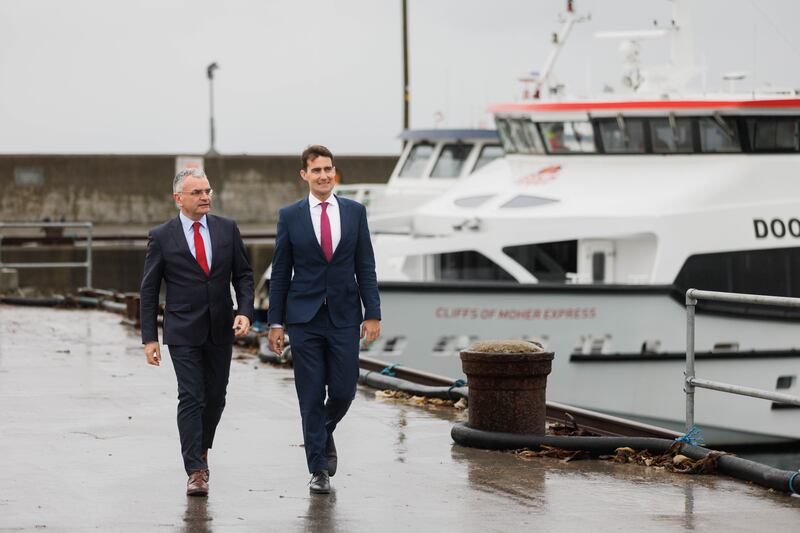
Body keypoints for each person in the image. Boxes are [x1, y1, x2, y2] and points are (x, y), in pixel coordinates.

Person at [268, 145, 381, 494]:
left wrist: (372, 313)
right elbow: (281, 271)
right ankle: (318, 469)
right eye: (316, 170)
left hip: (345, 315)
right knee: (311, 394)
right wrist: (275, 323)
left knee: (345, 390)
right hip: (304, 318)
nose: (323, 176)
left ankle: (322, 431)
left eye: (328, 169)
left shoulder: (354, 212)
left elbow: (365, 266)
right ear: (304, 175)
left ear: (335, 172)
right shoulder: (290, 216)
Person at [140, 168, 254, 497]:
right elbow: (148, 291)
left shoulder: (227, 229)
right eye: (197, 193)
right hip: (182, 330)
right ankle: (195, 470)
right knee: (191, 395)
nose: (206, 197)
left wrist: (244, 311)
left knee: (216, 397)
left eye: (208, 191)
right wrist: (150, 338)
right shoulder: (162, 236)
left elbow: (244, 276)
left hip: (221, 327)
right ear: (179, 198)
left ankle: (202, 449)